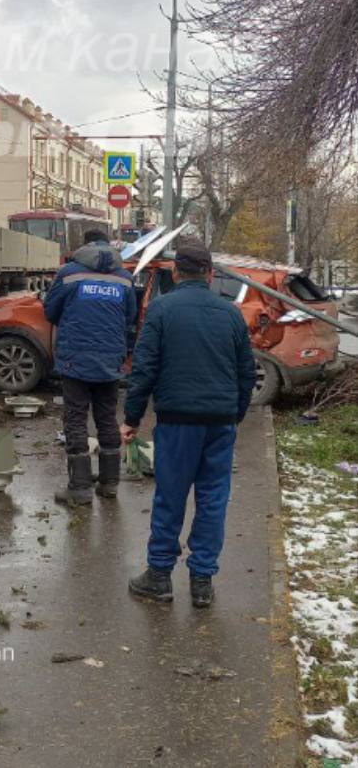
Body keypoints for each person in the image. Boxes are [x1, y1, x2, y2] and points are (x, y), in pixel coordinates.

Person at [120, 238, 256, 607]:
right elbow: (247, 373)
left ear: (176, 273)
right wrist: (235, 414)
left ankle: (160, 576)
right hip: (220, 423)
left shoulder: (162, 310)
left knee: (170, 496)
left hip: (177, 422)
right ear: (210, 275)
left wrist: (131, 418)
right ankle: (202, 583)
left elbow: (143, 369)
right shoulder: (231, 314)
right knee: (213, 500)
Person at [44, 229, 136, 505]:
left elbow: (50, 311)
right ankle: (109, 485)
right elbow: (130, 316)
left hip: (76, 359)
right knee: (107, 418)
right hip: (110, 359)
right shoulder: (125, 278)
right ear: (109, 246)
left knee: (75, 418)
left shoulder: (69, 273)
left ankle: (80, 488)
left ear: (85, 246)